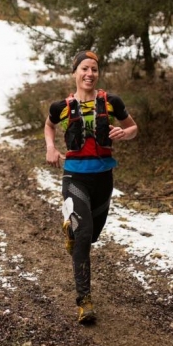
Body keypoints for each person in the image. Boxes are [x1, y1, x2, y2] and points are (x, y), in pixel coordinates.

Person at [44, 50, 138, 324]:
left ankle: (72, 230)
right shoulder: (60, 106)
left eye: (94, 70)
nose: (89, 74)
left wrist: (125, 132)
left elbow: (133, 128)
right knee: (84, 234)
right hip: (75, 177)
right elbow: (49, 126)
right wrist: (50, 148)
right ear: (74, 72)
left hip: (104, 178)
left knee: (90, 236)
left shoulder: (112, 103)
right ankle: (84, 300)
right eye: (84, 68)